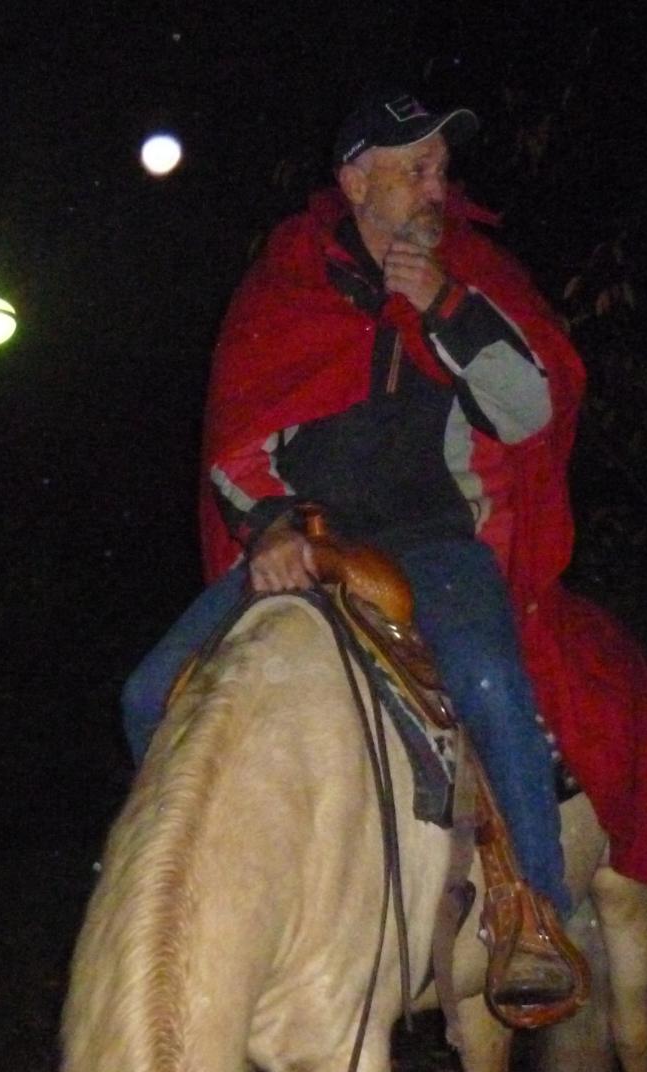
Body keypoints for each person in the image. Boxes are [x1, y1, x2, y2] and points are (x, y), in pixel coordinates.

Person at [122, 87, 587, 1016]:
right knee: (147, 693)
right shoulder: (284, 290)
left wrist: (445, 306)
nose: (435, 186)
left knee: (491, 681)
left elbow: (529, 411)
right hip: (313, 542)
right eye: (413, 167)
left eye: (441, 168)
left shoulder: (469, 277)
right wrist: (273, 530)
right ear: (355, 181)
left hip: (432, 547)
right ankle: (198, 912)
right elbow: (236, 452)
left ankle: (533, 908)